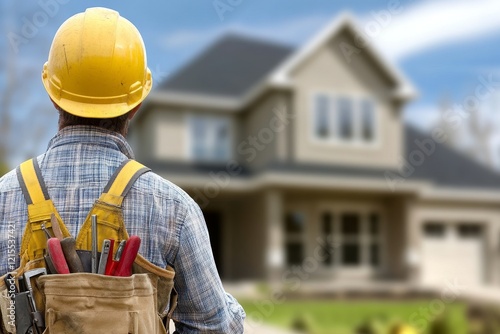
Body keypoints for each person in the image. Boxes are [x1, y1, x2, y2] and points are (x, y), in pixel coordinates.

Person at [0, 7, 245, 333]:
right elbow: (213, 328)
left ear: (53, 96)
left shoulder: (3, 200)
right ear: (137, 103)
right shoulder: (174, 208)